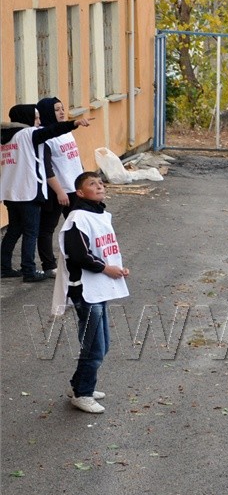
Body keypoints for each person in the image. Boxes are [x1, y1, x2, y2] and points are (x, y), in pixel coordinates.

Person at [57, 171, 130, 414]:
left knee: (101, 344)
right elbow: (78, 255)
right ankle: (82, 393)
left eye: (100, 183)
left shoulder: (99, 214)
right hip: (85, 291)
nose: (99, 187)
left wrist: (117, 268)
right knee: (94, 347)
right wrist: (105, 268)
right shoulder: (78, 218)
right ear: (80, 192)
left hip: (98, 288)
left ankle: (79, 384)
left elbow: (103, 250)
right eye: (92, 184)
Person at [2, 105, 88, 282]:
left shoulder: (6, 138)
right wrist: (74, 123)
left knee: (14, 230)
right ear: (26, 119)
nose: (39, 122)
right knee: (31, 232)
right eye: (35, 118)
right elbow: (52, 131)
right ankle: (29, 271)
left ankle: (4, 267)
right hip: (28, 191)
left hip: (10, 192)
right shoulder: (28, 135)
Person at [35, 98, 82, 276]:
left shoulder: (67, 131)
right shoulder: (44, 137)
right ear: (47, 112)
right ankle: (49, 265)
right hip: (57, 191)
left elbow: (75, 159)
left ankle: (76, 260)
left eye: (63, 108)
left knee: (77, 226)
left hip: (74, 188)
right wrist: (60, 191)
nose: (62, 112)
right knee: (47, 228)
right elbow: (46, 169)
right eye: (56, 110)